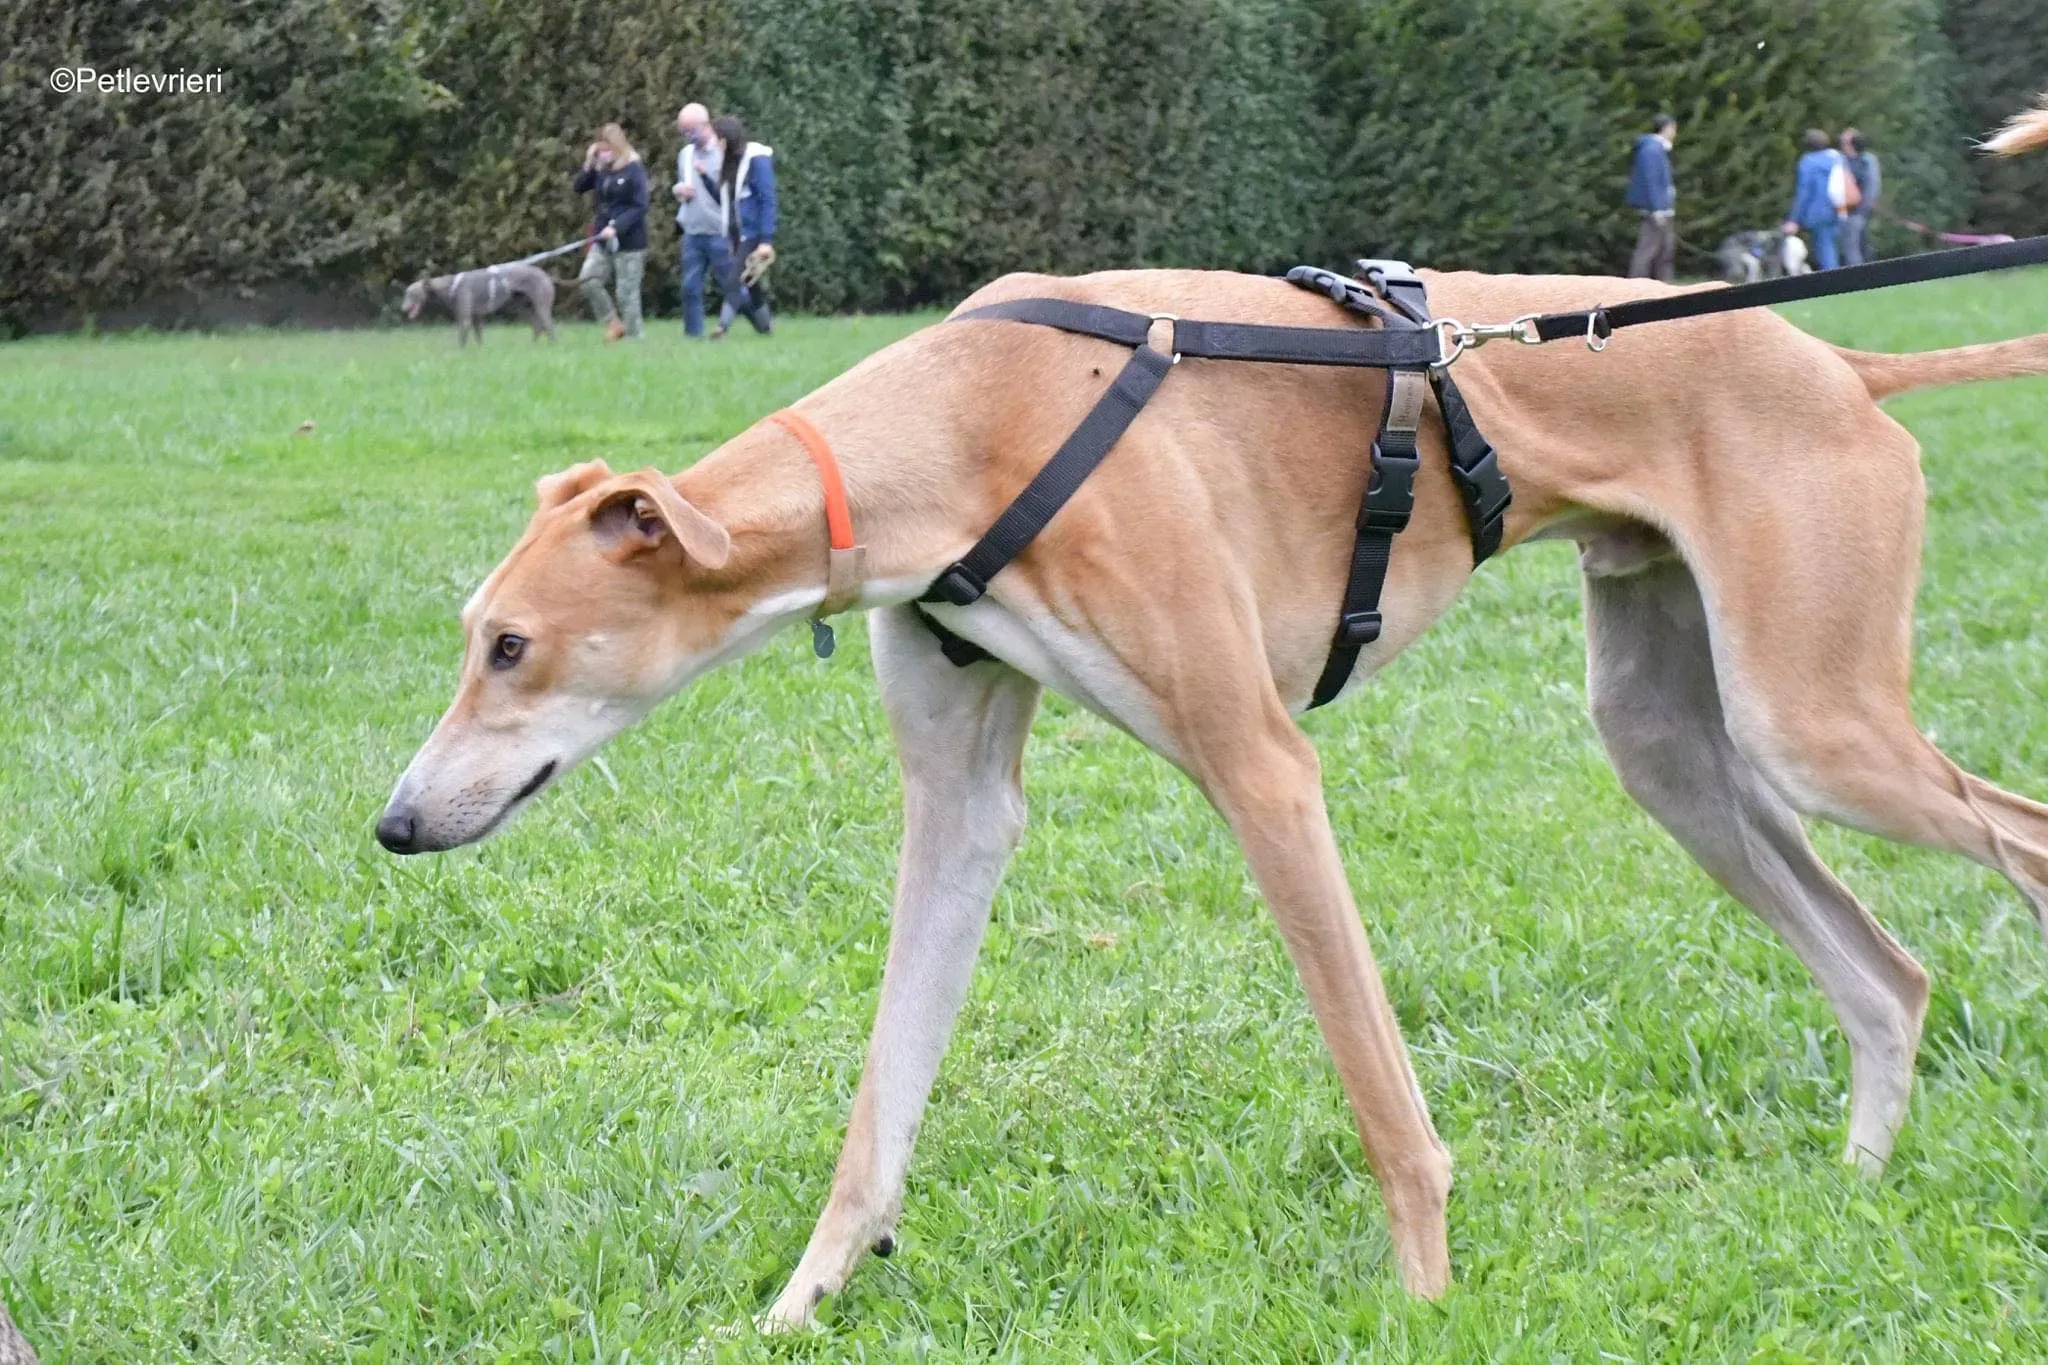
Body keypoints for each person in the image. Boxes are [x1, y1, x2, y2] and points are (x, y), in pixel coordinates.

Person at [673, 102, 747, 338]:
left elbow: (730, 193)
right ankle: (693, 334)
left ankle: (759, 316)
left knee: (732, 285)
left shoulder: (723, 153)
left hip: (719, 231)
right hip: (693, 231)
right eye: (683, 131)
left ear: (705, 126)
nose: (687, 136)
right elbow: (682, 183)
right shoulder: (685, 155)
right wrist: (679, 191)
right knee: (690, 287)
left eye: (691, 130)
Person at [572, 123, 649, 340]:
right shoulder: (600, 169)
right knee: (588, 280)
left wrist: (616, 227)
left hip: (630, 240)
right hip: (601, 238)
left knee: (627, 294)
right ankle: (612, 322)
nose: (604, 154)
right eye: (600, 149)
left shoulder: (634, 169)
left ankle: (635, 339)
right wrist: (589, 164)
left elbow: (640, 206)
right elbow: (578, 187)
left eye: (608, 150)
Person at [709, 114, 777, 338]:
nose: (714, 143)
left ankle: (722, 328)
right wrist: (730, 238)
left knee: (734, 280)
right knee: (751, 283)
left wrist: (766, 241)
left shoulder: (757, 160)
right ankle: (765, 329)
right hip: (738, 233)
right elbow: (729, 203)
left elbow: (768, 200)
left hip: (754, 233)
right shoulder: (729, 163)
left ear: (726, 139)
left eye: (716, 138)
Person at [1782, 128, 1845, 271]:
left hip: (1816, 212)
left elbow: (1803, 193)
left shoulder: (1808, 162)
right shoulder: (1836, 157)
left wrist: (1793, 219)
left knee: (1825, 250)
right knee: (1832, 247)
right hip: (1838, 208)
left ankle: (1832, 283)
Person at [1625, 115, 1678, 281]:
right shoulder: (1652, 149)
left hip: (1661, 208)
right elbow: (1651, 181)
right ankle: (1636, 285)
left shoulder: (1656, 149)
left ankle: (1663, 287)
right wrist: (1657, 209)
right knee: (1648, 249)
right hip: (1656, 210)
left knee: (1665, 249)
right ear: (1666, 128)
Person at [1839, 128, 1881, 266]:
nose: (1842, 145)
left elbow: (1872, 186)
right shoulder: (1842, 160)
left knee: (1853, 247)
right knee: (1858, 245)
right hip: (1846, 210)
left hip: (1858, 210)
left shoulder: (1867, 161)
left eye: (1844, 142)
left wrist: (1863, 209)